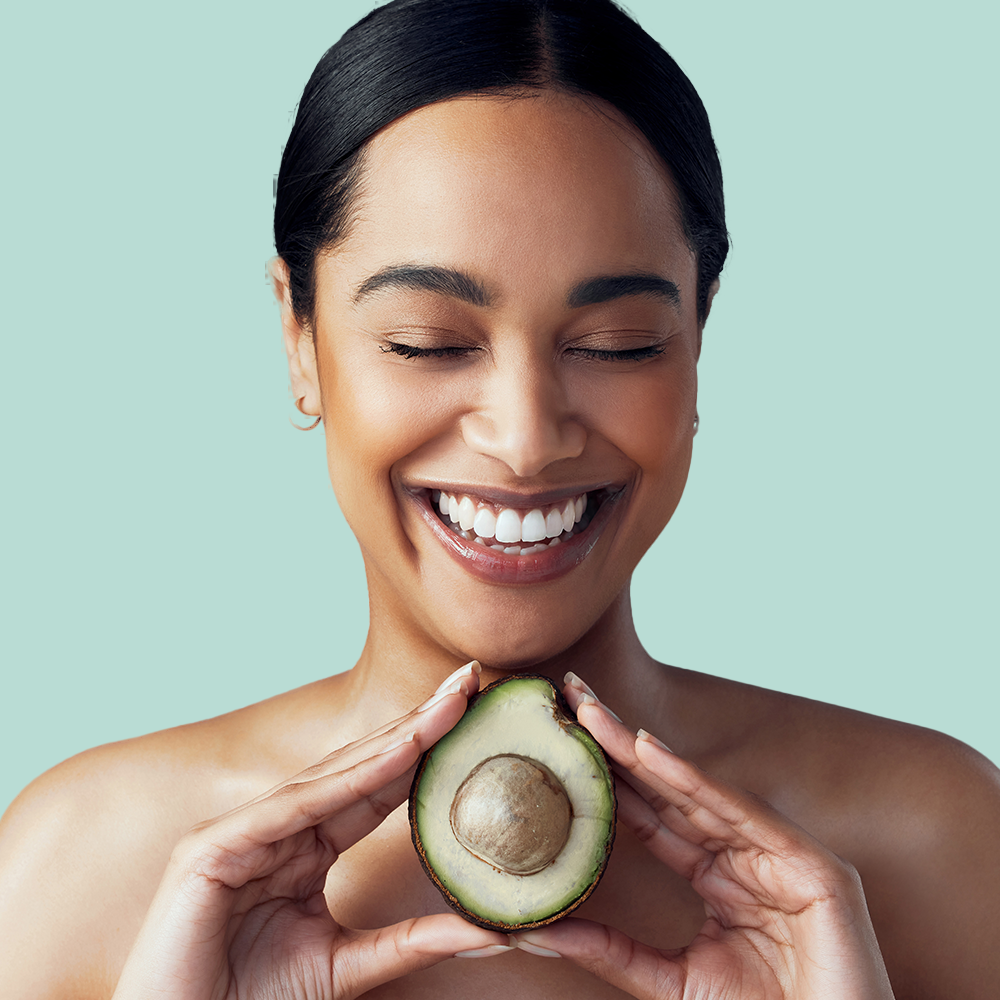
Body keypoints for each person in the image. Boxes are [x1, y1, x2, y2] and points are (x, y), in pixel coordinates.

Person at [1, 1, 997, 997]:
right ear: (298, 339)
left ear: (699, 340)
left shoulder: (931, 841)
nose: (524, 440)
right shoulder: (83, 863)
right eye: (427, 342)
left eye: (618, 345)